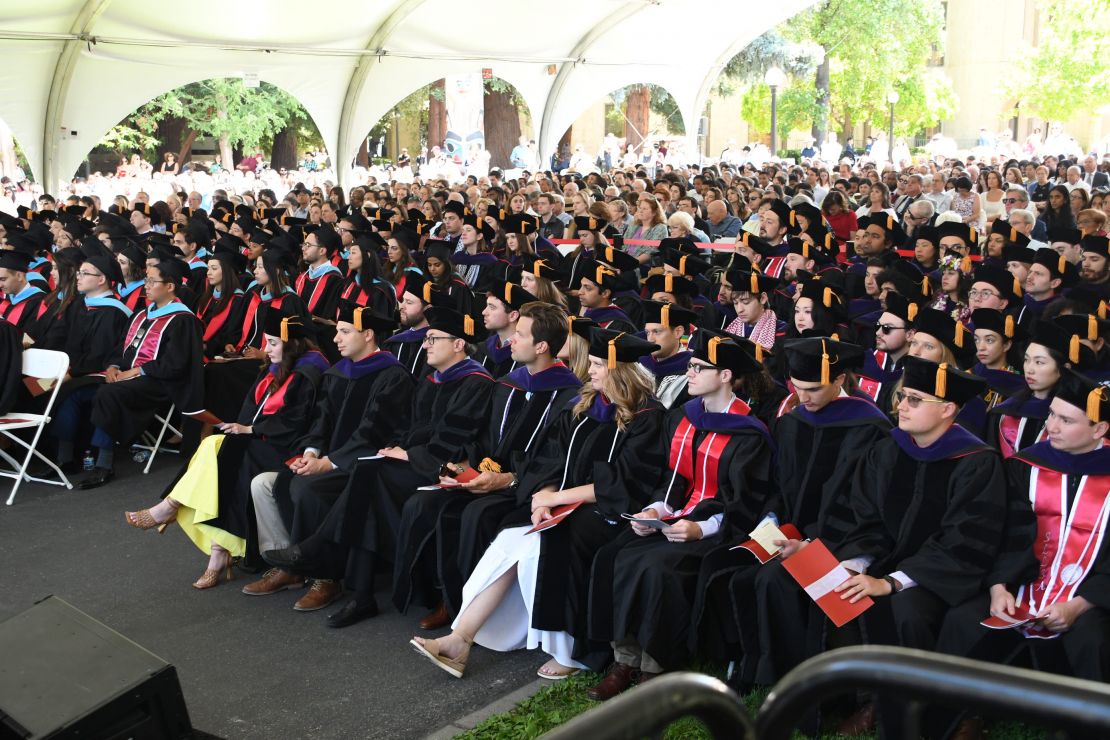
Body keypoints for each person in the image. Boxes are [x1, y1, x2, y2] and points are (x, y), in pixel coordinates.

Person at [410, 328, 664, 679]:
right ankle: (459, 638)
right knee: (511, 537)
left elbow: (624, 483)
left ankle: (570, 652)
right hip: (561, 500)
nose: (588, 370)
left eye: (596, 365)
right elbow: (549, 458)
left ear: (618, 370)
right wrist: (541, 496)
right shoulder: (584, 404)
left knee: (541, 544)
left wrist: (554, 498)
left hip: (608, 512)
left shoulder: (648, 416)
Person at [263, 305, 495, 624]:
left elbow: (455, 439)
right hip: (409, 462)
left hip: (441, 468)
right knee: (366, 484)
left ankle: (323, 559)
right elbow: (410, 426)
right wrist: (395, 446)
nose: (425, 345)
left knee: (368, 480)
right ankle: (359, 593)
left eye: (432, 338)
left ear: (458, 344)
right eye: (425, 339)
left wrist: (409, 454)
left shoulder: (476, 382)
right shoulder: (431, 379)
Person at [587, 334, 774, 699]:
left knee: (657, 568)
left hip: (718, 530)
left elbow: (746, 504)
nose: (689, 372)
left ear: (724, 375)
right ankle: (625, 660)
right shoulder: (685, 419)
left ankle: (655, 666)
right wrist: (655, 510)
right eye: (689, 365)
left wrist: (700, 529)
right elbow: (673, 481)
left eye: (698, 367)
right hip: (677, 519)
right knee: (614, 555)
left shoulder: (750, 433)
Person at [928, 369, 1110, 740]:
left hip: (1089, 595)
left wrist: (1079, 604)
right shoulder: (1023, 465)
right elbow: (1000, 530)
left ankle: (1085, 727)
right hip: (1020, 583)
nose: (1051, 426)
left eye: (1066, 419)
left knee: (1093, 639)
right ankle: (960, 716)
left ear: (1100, 430)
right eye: (1052, 415)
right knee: (963, 621)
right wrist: (999, 585)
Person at [831, 357, 1005, 736]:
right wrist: (857, 562)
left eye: (913, 399)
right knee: (842, 589)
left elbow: (965, 541)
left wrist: (893, 581)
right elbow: (866, 515)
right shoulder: (888, 450)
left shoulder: (977, 463)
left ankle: (925, 711)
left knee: (905, 608)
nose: (900, 406)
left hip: (946, 576)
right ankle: (871, 699)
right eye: (902, 396)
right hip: (891, 561)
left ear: (946, 409)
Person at [392, 301, 582, 630]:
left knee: (473, 515)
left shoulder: (569, 396)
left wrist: (510, 478)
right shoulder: (508, 383)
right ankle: (437, 594)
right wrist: (464, 465)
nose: (510, 340)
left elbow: (557, 458)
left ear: (541, 346)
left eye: (519, 335)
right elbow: (479, 434)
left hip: (522, 487)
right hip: (484, 476)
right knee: (422, 502)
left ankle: (466, 605)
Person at [722, 337, 891, 689]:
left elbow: (866, 505)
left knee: (773, 581)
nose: (805, 397)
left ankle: (790, 684)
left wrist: (813, 543)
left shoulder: (871, 429)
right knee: (734, 570)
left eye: (813, 389)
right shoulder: (794, 421)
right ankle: (748, 665)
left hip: (846, 541)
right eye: (797, 388)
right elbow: (779, 486)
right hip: (792, 534)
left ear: (840, 379)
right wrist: (773, 524)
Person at [125, 312, 327, 587]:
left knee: (223, 453)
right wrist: (240, 428)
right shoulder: (276, 367)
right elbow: (250, 410)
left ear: (293, 346)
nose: (266, 350)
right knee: (218, 447)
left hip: (287, 448)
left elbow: (297, 422)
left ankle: (177, 514)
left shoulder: (309, 372)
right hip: (261, 441)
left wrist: (251, 431)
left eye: (273, 343)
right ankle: (216, 548)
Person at [242, 302, 413, 608]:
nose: (336, 339)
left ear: (369, 334)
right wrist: (311, 452)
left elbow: (372, 433)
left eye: (345, 332)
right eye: (337, 332)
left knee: (307, 489)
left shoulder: (392, 376)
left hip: (363, 464)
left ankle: (327, 577)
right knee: (266, 485)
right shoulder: (337, 373)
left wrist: (328, 463)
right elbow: (320, 422)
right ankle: (291, 567)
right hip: (329, 459)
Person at [78, 259, 204, 489]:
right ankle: (71, 455)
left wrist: (138, 370)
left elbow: (176, 365)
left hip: (162, 383)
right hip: (132, 378)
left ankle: (104, 463)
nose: (146, 285)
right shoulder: (140, 315)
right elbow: (120, 349)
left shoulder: (182, 320)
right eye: (146, 280)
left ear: (170, 286)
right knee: (80, 392)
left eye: (152, 281)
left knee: (109, 393)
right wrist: (113, 367)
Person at [639, 300, 697, 409]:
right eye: (647, 332)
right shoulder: (640, 364)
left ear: (678, 332)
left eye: (657, 332)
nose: (650, 339)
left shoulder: (692, 373)